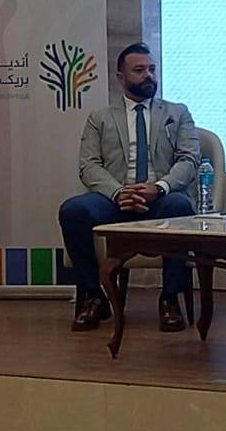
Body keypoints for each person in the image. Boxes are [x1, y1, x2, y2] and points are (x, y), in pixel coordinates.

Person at [59, 42, 200, 333]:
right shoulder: (100, 118)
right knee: (73, 211)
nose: (149, 75)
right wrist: (119, 192)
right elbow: (89, 165)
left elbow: (189, 160)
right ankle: (93, 295)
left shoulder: (177, 113)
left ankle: (169, 299)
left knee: (180, 206)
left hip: (160, 198)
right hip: (116, 199)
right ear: (121, 77)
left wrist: (159, 187)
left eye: (152, 69)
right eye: (139, 70)